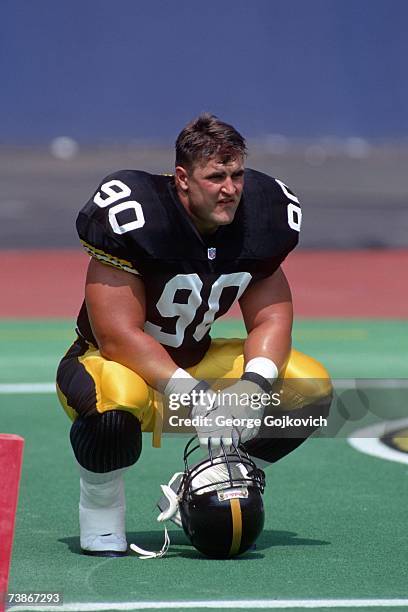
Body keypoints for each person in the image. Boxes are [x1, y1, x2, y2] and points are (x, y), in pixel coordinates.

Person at [56, 113, 332, 557]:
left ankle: (216, 475)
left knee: (308, 388)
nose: (231, 188)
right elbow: (118, 338)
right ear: (183, 179)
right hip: (112, 364)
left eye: (237, 174)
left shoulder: (262, 214)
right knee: (114, 401)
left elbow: (271, 318)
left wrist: (254, 384)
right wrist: (199, 397)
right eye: (216, 176)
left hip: (194, 358)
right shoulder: (135, 214)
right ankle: (101, 505)